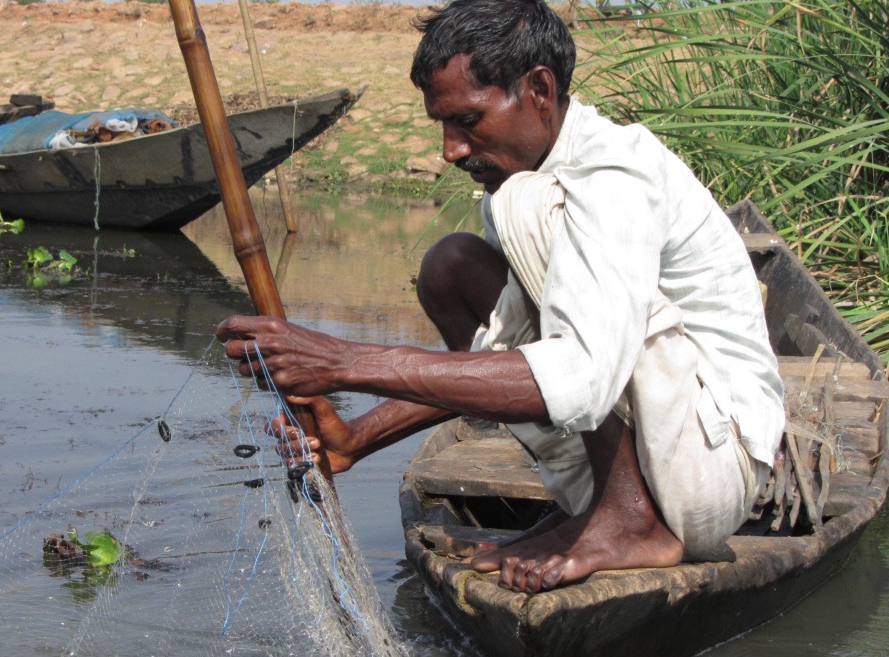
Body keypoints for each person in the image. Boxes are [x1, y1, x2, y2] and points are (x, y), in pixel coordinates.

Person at [217, 0, 785, 593]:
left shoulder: (609, 178)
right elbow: (505, 352)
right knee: (452, 267)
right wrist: (360, 436)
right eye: (443, 125)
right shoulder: (527, 180)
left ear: (539, 90)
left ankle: (626, 519)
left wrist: (344, 363)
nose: (450, 149)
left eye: (468, 120)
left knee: (523, 207)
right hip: (651, 454)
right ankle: (598, 509)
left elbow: (584, 377)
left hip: (709, 472)